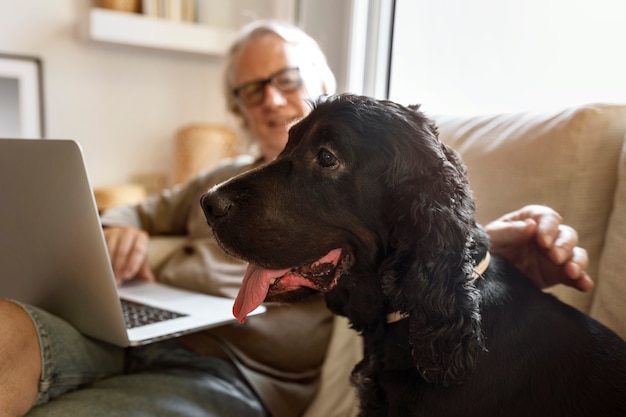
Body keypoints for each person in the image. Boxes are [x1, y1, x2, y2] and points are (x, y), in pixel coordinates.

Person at [0, 20, 592, 417]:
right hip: (135, 332)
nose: (270, 99)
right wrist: (118, 225)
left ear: (323, 85)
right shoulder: (221, 180)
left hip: (230, 376)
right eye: (252, 90)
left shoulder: (367, 175)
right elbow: (133, 207)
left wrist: (488, 245)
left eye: (286, 79)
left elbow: (410, 234)